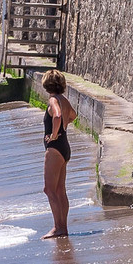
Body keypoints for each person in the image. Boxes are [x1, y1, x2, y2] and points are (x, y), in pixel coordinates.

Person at [41, 70, 75, 240]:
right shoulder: (64, 100)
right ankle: (63, 227)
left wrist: (54, 134)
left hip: (55, 148)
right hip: (65, 147)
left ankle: (57, 227)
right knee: (60, 190)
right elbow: (73, 115)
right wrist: (64, 126)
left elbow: (58, 115)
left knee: (49, 189)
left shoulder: (54, 100)